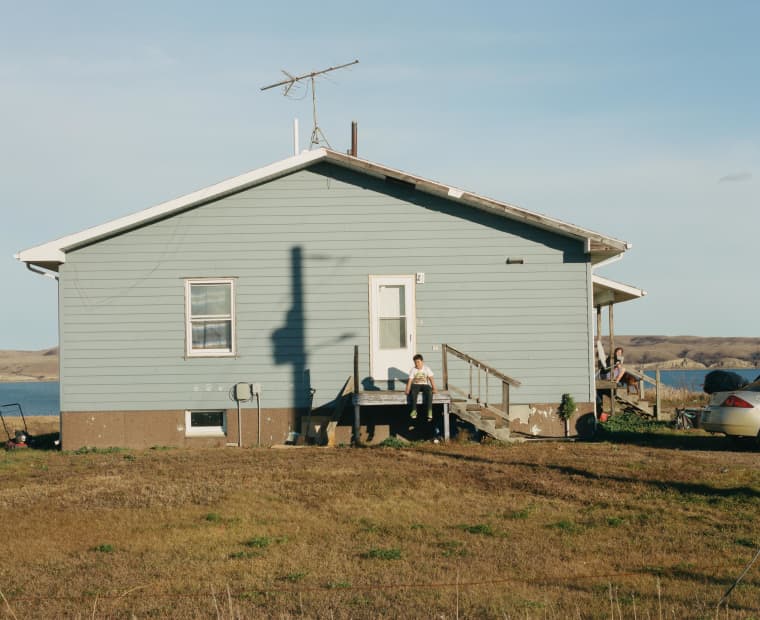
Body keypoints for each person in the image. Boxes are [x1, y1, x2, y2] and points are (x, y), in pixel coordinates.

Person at [406, 354, 437, 421]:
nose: (417, 364)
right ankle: (414, 410)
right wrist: (408, 389)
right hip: (416, 385)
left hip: (425, 385)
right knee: (413, 392)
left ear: (422, 361)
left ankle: (429, 411)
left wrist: (434, 388)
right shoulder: (413, 370)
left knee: (429, 392)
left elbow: (431, 379)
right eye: (415, 362)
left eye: (418, 362)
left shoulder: (426, 368)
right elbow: (410, 380)